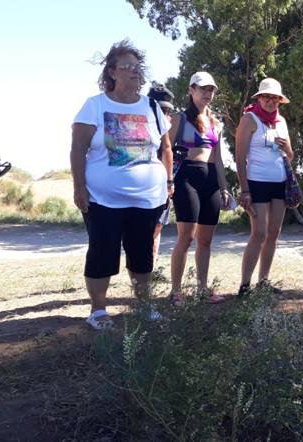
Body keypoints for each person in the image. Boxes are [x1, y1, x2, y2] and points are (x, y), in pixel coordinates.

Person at [70, 40, 173, 330]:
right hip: (103, 198)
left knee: (142, 253)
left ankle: (144, 305)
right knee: (103, 251)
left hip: (147, 198)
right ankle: (99, 310)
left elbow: (165, 148)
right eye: (127, 67)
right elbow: (78, 148)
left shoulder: (152, 107)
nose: (135, 72)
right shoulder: (95, 105)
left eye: (138, 67)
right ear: (112, 72)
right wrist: (79, 188)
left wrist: (168, 181)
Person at [168, 72, 231, 304]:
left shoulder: (216, 122)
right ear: (191, 90)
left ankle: (202, 289)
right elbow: (165, 151)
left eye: (211, 90)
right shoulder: (179, 119)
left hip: (210, 180)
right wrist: (168, 181)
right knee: (186, 237)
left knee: (206, 240)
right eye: (203, 89)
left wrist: (223, 188)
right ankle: (176, 291)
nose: (207, 93)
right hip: (186, 178)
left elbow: (219, 159)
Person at [235, 78, 294, 297]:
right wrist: (244, 190)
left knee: (273, 233)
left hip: (279, 182)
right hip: (256, 182)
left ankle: (264, 281)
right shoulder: (249, 119)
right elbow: (239, 158)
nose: (270, 101)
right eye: (266, 97)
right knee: (258, 233)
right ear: (259, 98)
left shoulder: (281, 122)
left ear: (280, 101)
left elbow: (290, 156)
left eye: (275, 98)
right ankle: (245, 285)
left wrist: (287, 146)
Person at [147, 81, 176, 270]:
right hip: (145, 183)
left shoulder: (170, 127)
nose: (164, 115)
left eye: (166, 111)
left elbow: (169, 152)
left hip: (163, 183)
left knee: (157, 228)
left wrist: (169, 181)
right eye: (160, 110)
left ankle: (152, 267)